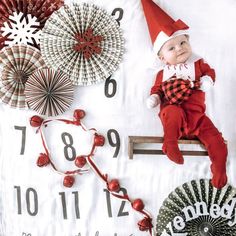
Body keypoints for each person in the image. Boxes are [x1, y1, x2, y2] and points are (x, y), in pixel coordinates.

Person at [141, 0, 227, 189]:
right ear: (161, 57)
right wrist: (154, 97)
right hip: (174, 113)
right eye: (171, 48)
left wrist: (207, 80)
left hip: (198, 117)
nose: (179, 48)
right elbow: (156, 89)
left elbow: (210, 72)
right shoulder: (162, 73)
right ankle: (170, 143)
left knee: (216, 139)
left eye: (183, 42)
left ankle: (219, 167)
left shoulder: (198, 64)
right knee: (172, 113)